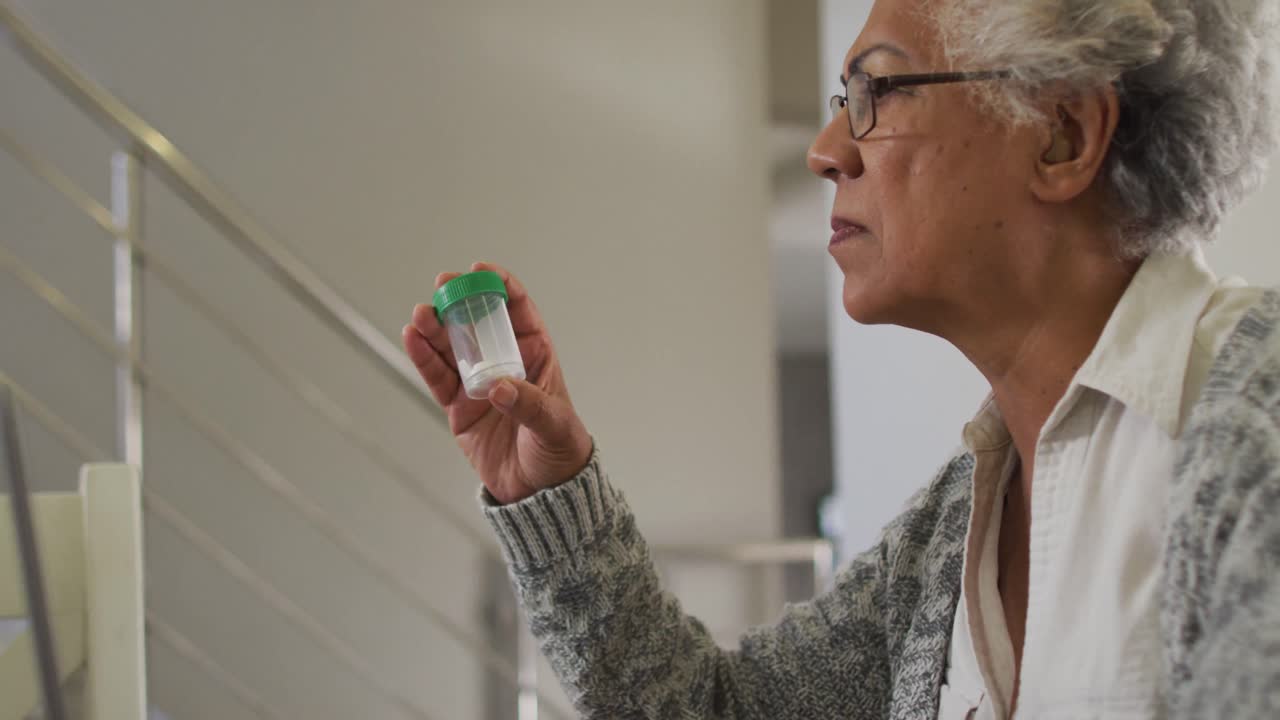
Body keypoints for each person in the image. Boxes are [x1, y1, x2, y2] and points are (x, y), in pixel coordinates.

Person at [402, 0, 1280, 717]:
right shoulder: (950, 529)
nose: (826, 152)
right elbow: (714, 713)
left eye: (879, 90)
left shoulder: (1253, 419)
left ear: (1062, 135)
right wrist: (550, 488)